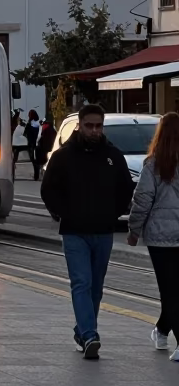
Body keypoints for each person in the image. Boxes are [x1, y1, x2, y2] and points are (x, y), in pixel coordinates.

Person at [41, 102, 133, 359]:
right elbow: (48, 190)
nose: (94, 130)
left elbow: (126, 189)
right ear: (79, 126)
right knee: (81, 282)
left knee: (96, 287)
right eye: (89, 125)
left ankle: (82, 330)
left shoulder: (113, 156)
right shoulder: (63, 156)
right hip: (74, 231)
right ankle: (91, 334)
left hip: (103, 230)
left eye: (98, 126)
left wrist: (112, 213)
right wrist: (64, 213)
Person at [127, 112, 179, 360]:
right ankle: (161, 331)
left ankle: (164, 333)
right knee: (174, 290)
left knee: (169, 289)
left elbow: (142, 200)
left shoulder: (153, 164)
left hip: (160, 237)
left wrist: (134, 230)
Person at [24, 109, 42, 180]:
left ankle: (36, 175)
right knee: (37, 159)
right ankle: (37, 174)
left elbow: (25, 133)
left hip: (31, 144)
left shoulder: (29, 124)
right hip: (38, 144)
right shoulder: (39, 124)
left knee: (33, 160)